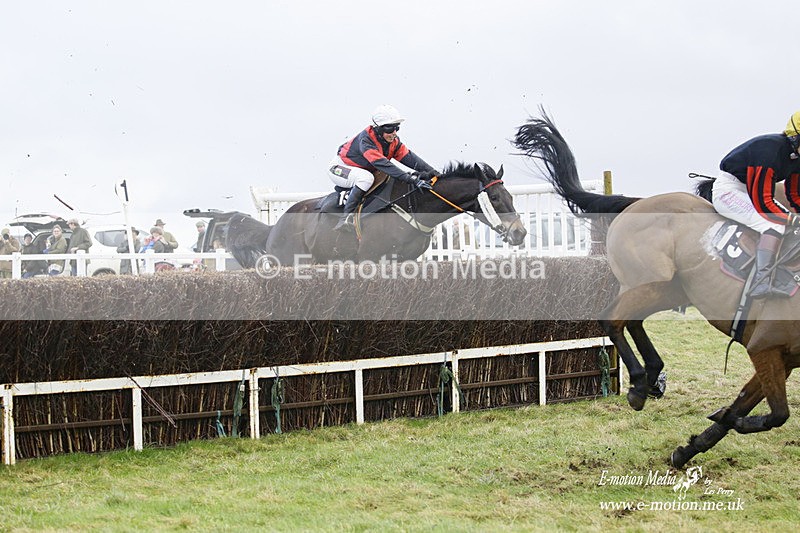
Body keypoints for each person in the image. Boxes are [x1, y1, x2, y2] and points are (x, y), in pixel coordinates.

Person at [711, 110, 800, 298]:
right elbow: (763, 203)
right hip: (730, 191)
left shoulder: (796, 156)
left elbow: (794, 193)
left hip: (751, 191)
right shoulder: (770, 152)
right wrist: (792, 219)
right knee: (774, 224)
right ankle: (761, 282)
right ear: (795, 137)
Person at [328, 104, 438, 232]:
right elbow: (385, 165)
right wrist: (412, 180)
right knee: (365, 178)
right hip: (339, 168)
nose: (394, 133)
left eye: (397, 128)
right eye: (390, 129)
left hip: (360, 168)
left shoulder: (393, 142)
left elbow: (412, 160)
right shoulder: (366, 141)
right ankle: (345, 219)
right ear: (378, 129)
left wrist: (434, 173)